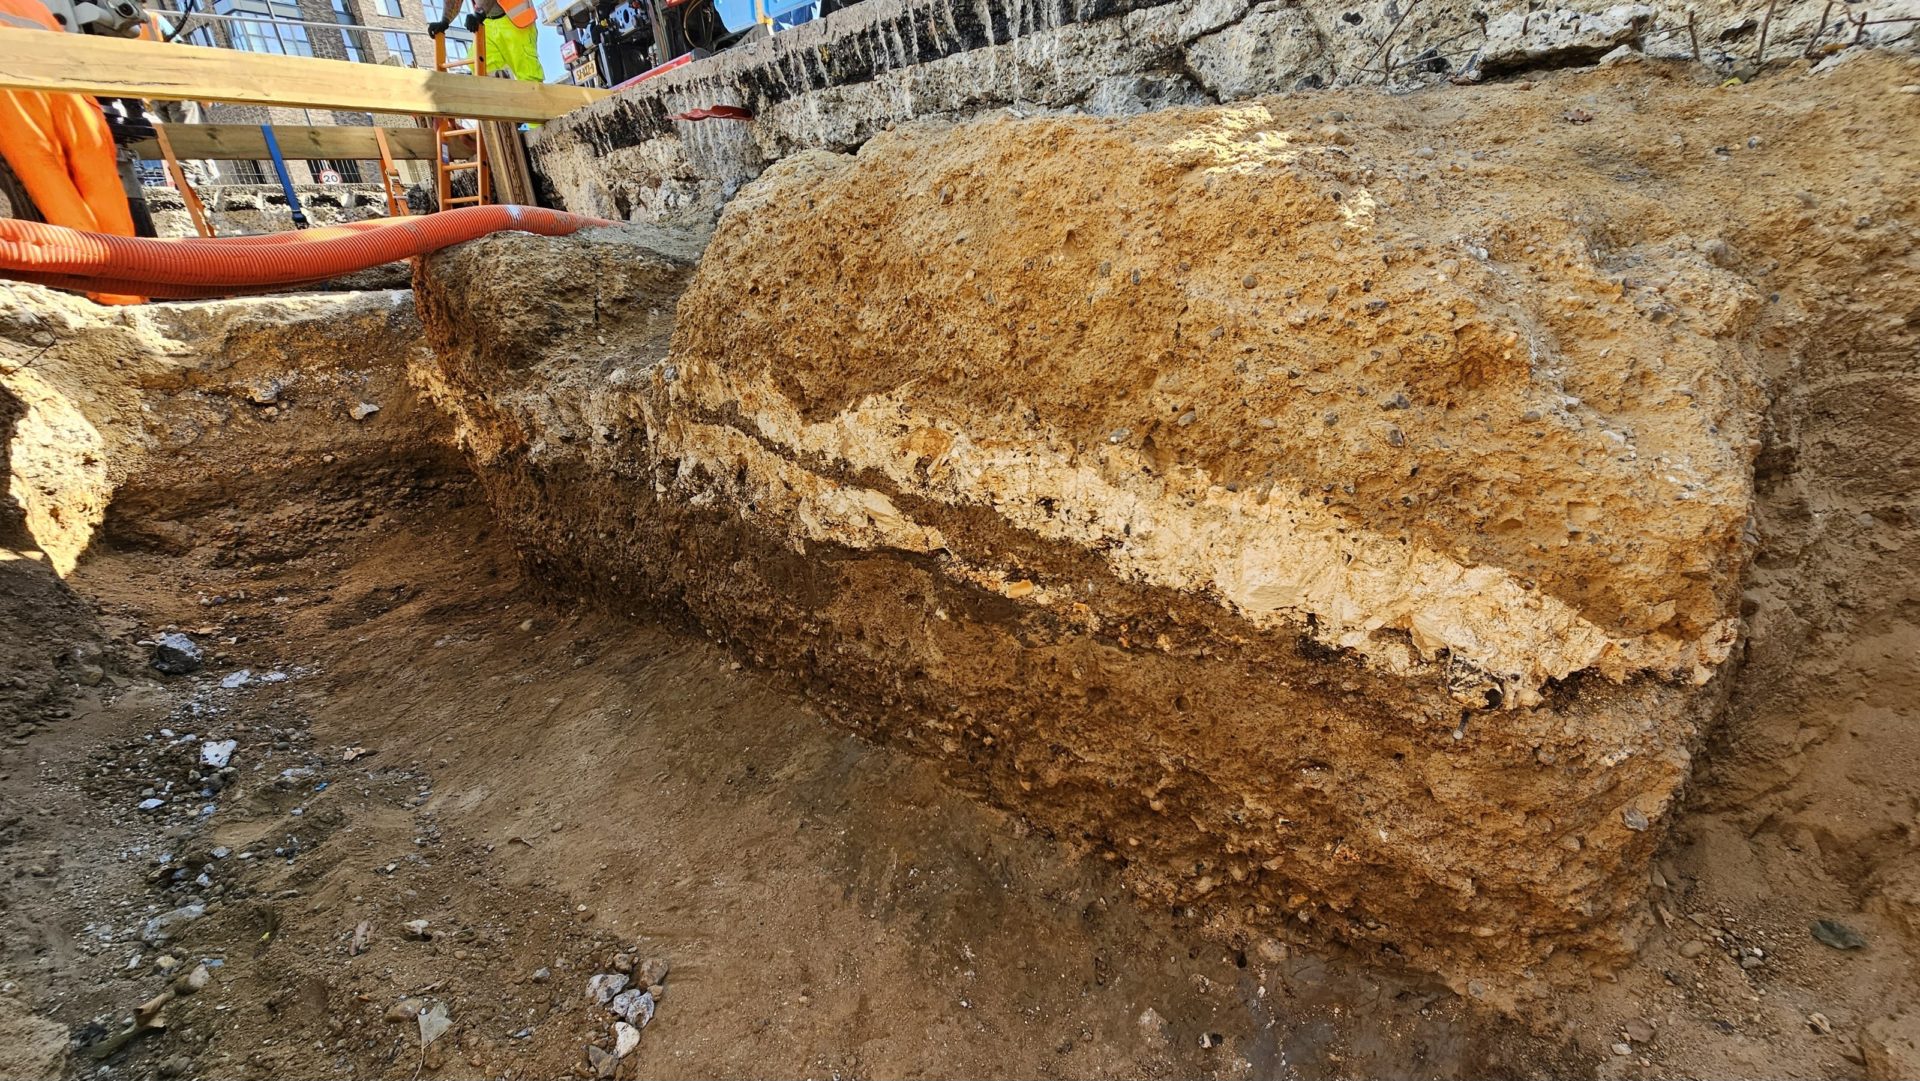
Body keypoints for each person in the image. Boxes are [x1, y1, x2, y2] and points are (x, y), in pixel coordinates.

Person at [0, 0, 141, 303]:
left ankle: (92, 284)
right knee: (99, 180)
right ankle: (129, 287)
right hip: (66, 85)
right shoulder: (36, 5)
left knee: (45, 175)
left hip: (12, 85)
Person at [429, 0, 544, 84]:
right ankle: (503, 106)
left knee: (526, 72)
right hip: (489, 21)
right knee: (480, 62)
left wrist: (479, 14)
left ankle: (537, 112)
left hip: (516, 19)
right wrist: (445, 21)